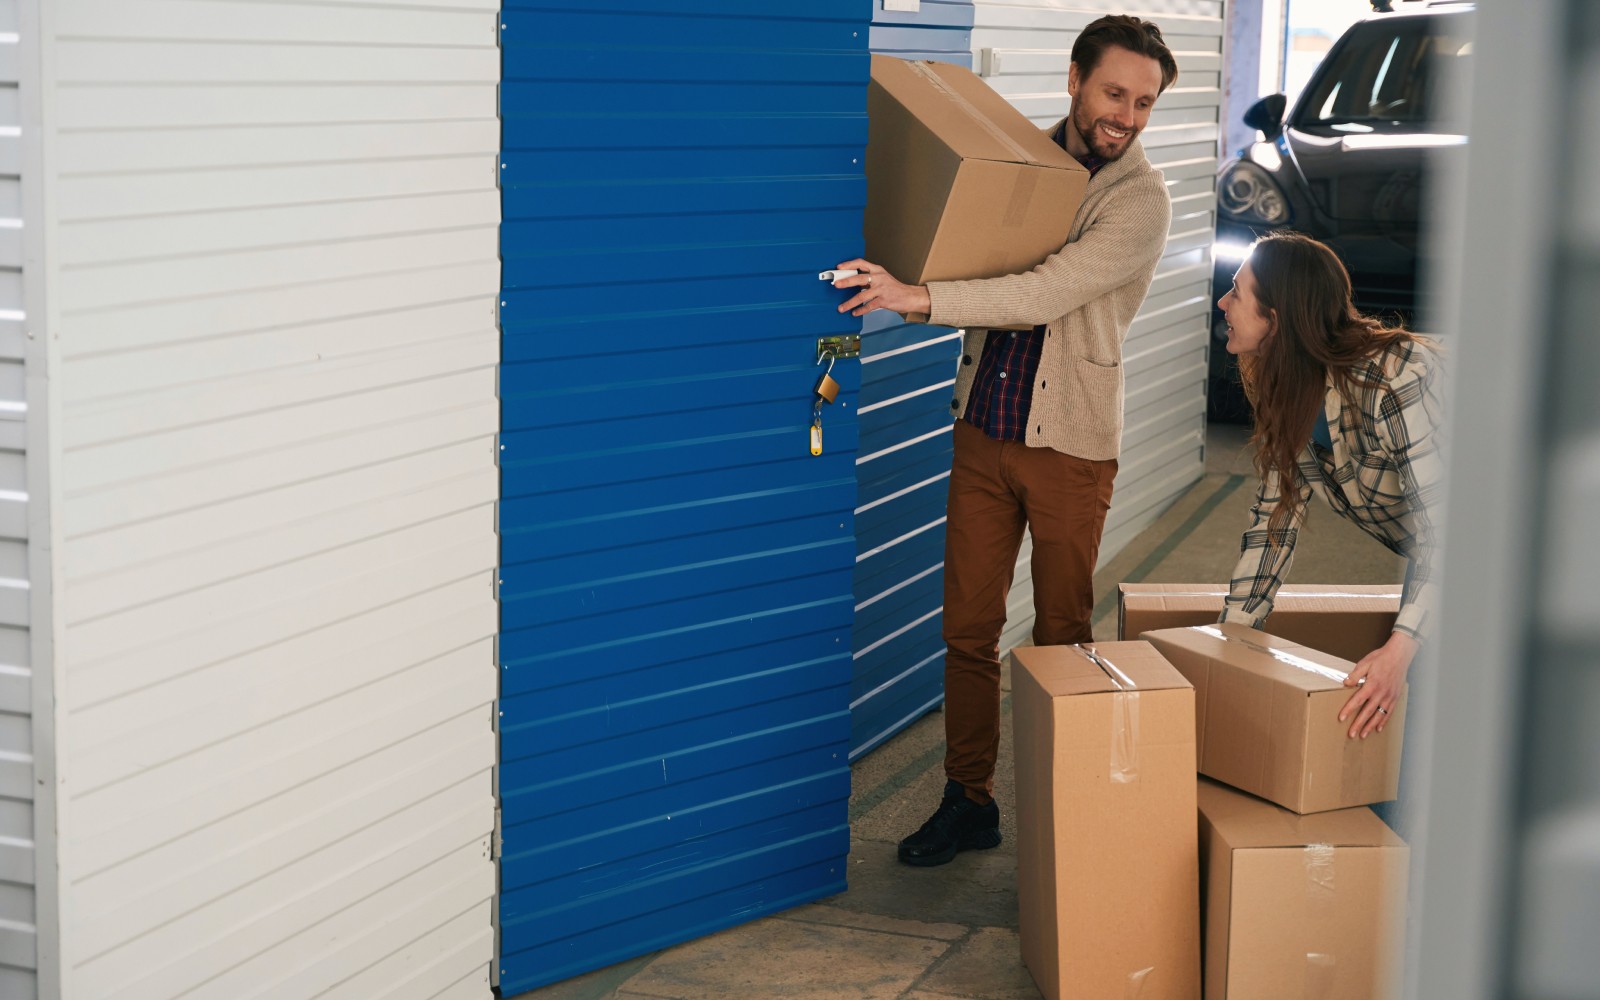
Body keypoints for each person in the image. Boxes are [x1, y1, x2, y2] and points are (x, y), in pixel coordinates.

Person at [832, 14, 1179, 867]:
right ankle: (969, 801)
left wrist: (916, 297)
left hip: (1070, 449)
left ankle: (1070, 816)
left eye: (1143, 102)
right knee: (968, 631)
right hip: (984, 429)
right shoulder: (1019, 161)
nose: (1126, 116)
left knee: (1062, 634)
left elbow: (1043, 290)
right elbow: (968, 239)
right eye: (1113, 93)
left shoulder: (1142, 200)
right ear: (1074, 79)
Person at [1215, 232, 1443, 822]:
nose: (1223, 303)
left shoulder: (1394, 381)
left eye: (1237, 291)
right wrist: (1223, 652)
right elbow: (1272, 525)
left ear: (1278, 315)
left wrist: (1400, 649)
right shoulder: (1287, 386)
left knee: (1423, 729)